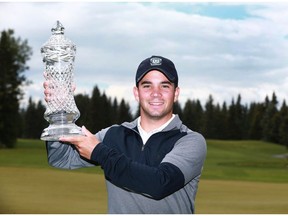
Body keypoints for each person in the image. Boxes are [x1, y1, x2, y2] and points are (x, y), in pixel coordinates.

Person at [44, 55, 207, 214]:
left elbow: (160, 183)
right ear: (136, 93)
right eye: (147, 86)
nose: (155, 93)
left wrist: (100, 152)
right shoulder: (114, 135)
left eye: (164, 86)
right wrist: (59, 111)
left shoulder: (190, 140)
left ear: (176, 93)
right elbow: (61, 158)